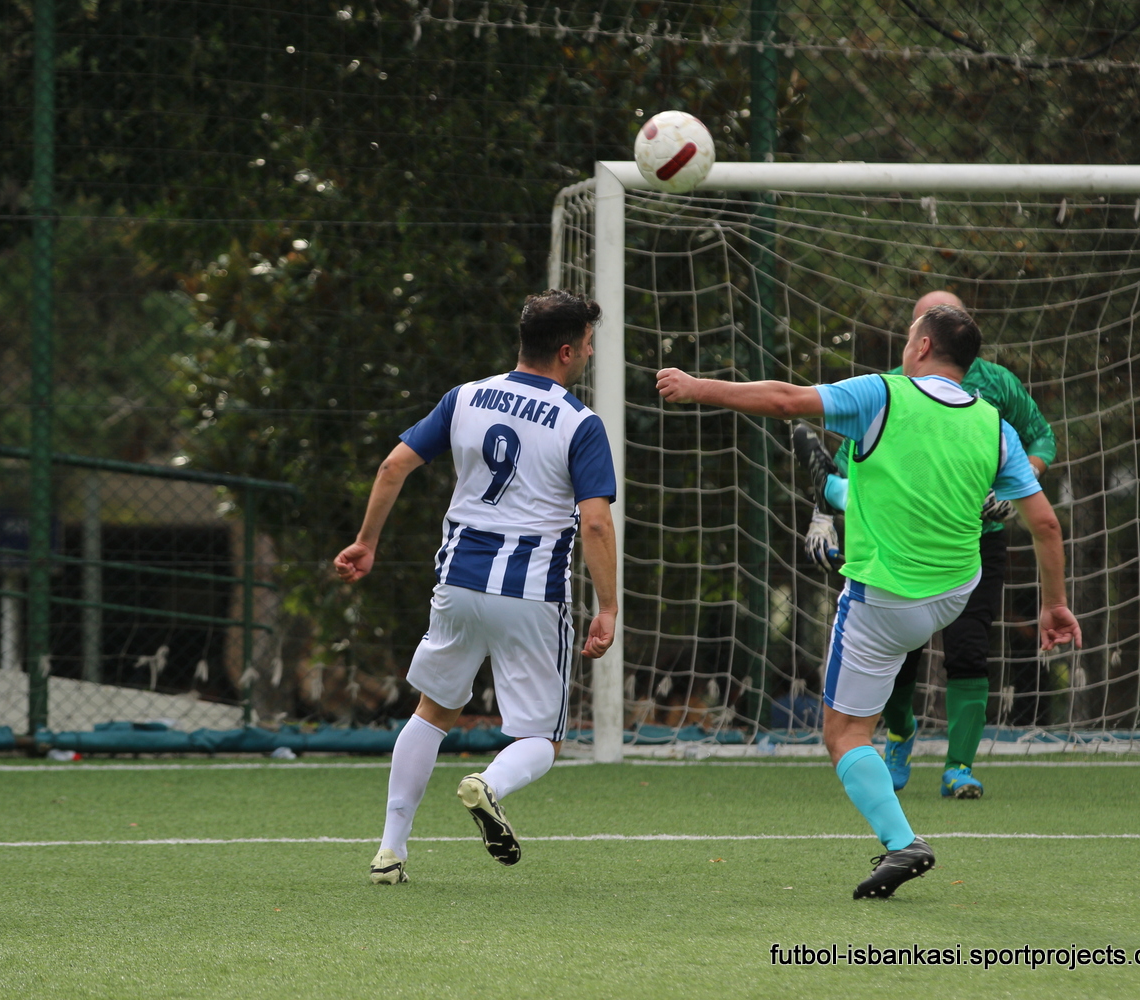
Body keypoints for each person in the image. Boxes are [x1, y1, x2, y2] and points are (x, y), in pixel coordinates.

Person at [656, 303, 1080, 900]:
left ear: (923, 346)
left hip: (884, 601)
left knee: (845, 734)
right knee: (900, 484)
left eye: (910, 335)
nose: (906, 343)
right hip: (954, 593)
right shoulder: (995, 424)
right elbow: (1046, 526)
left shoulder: (883, 392)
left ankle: (903, 842)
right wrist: (1054, 603)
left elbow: (785, 401)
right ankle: (836, 491)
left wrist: (697, 386)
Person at [335, 289, 619, 885]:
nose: (591, 354)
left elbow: (392, 466)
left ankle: (390, 851)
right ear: (567, 351)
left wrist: (366, 542)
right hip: (531, 592)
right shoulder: (579, 422)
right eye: (589, 344)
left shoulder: (464, 397)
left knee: (432, 712)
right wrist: (609, 606)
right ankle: (488, 784)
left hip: (458, 581)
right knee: (540, 739)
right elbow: (594, 523)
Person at [791, 291, 1056, 800]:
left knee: (969, 651)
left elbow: (1041, 439)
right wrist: (821, 518)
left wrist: (1014, 487)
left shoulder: (997, 386)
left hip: (976, 545)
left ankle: (959, 766)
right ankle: (900, 733)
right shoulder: (891, 388)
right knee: (900, 658)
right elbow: (850, 463)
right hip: (905, 544)